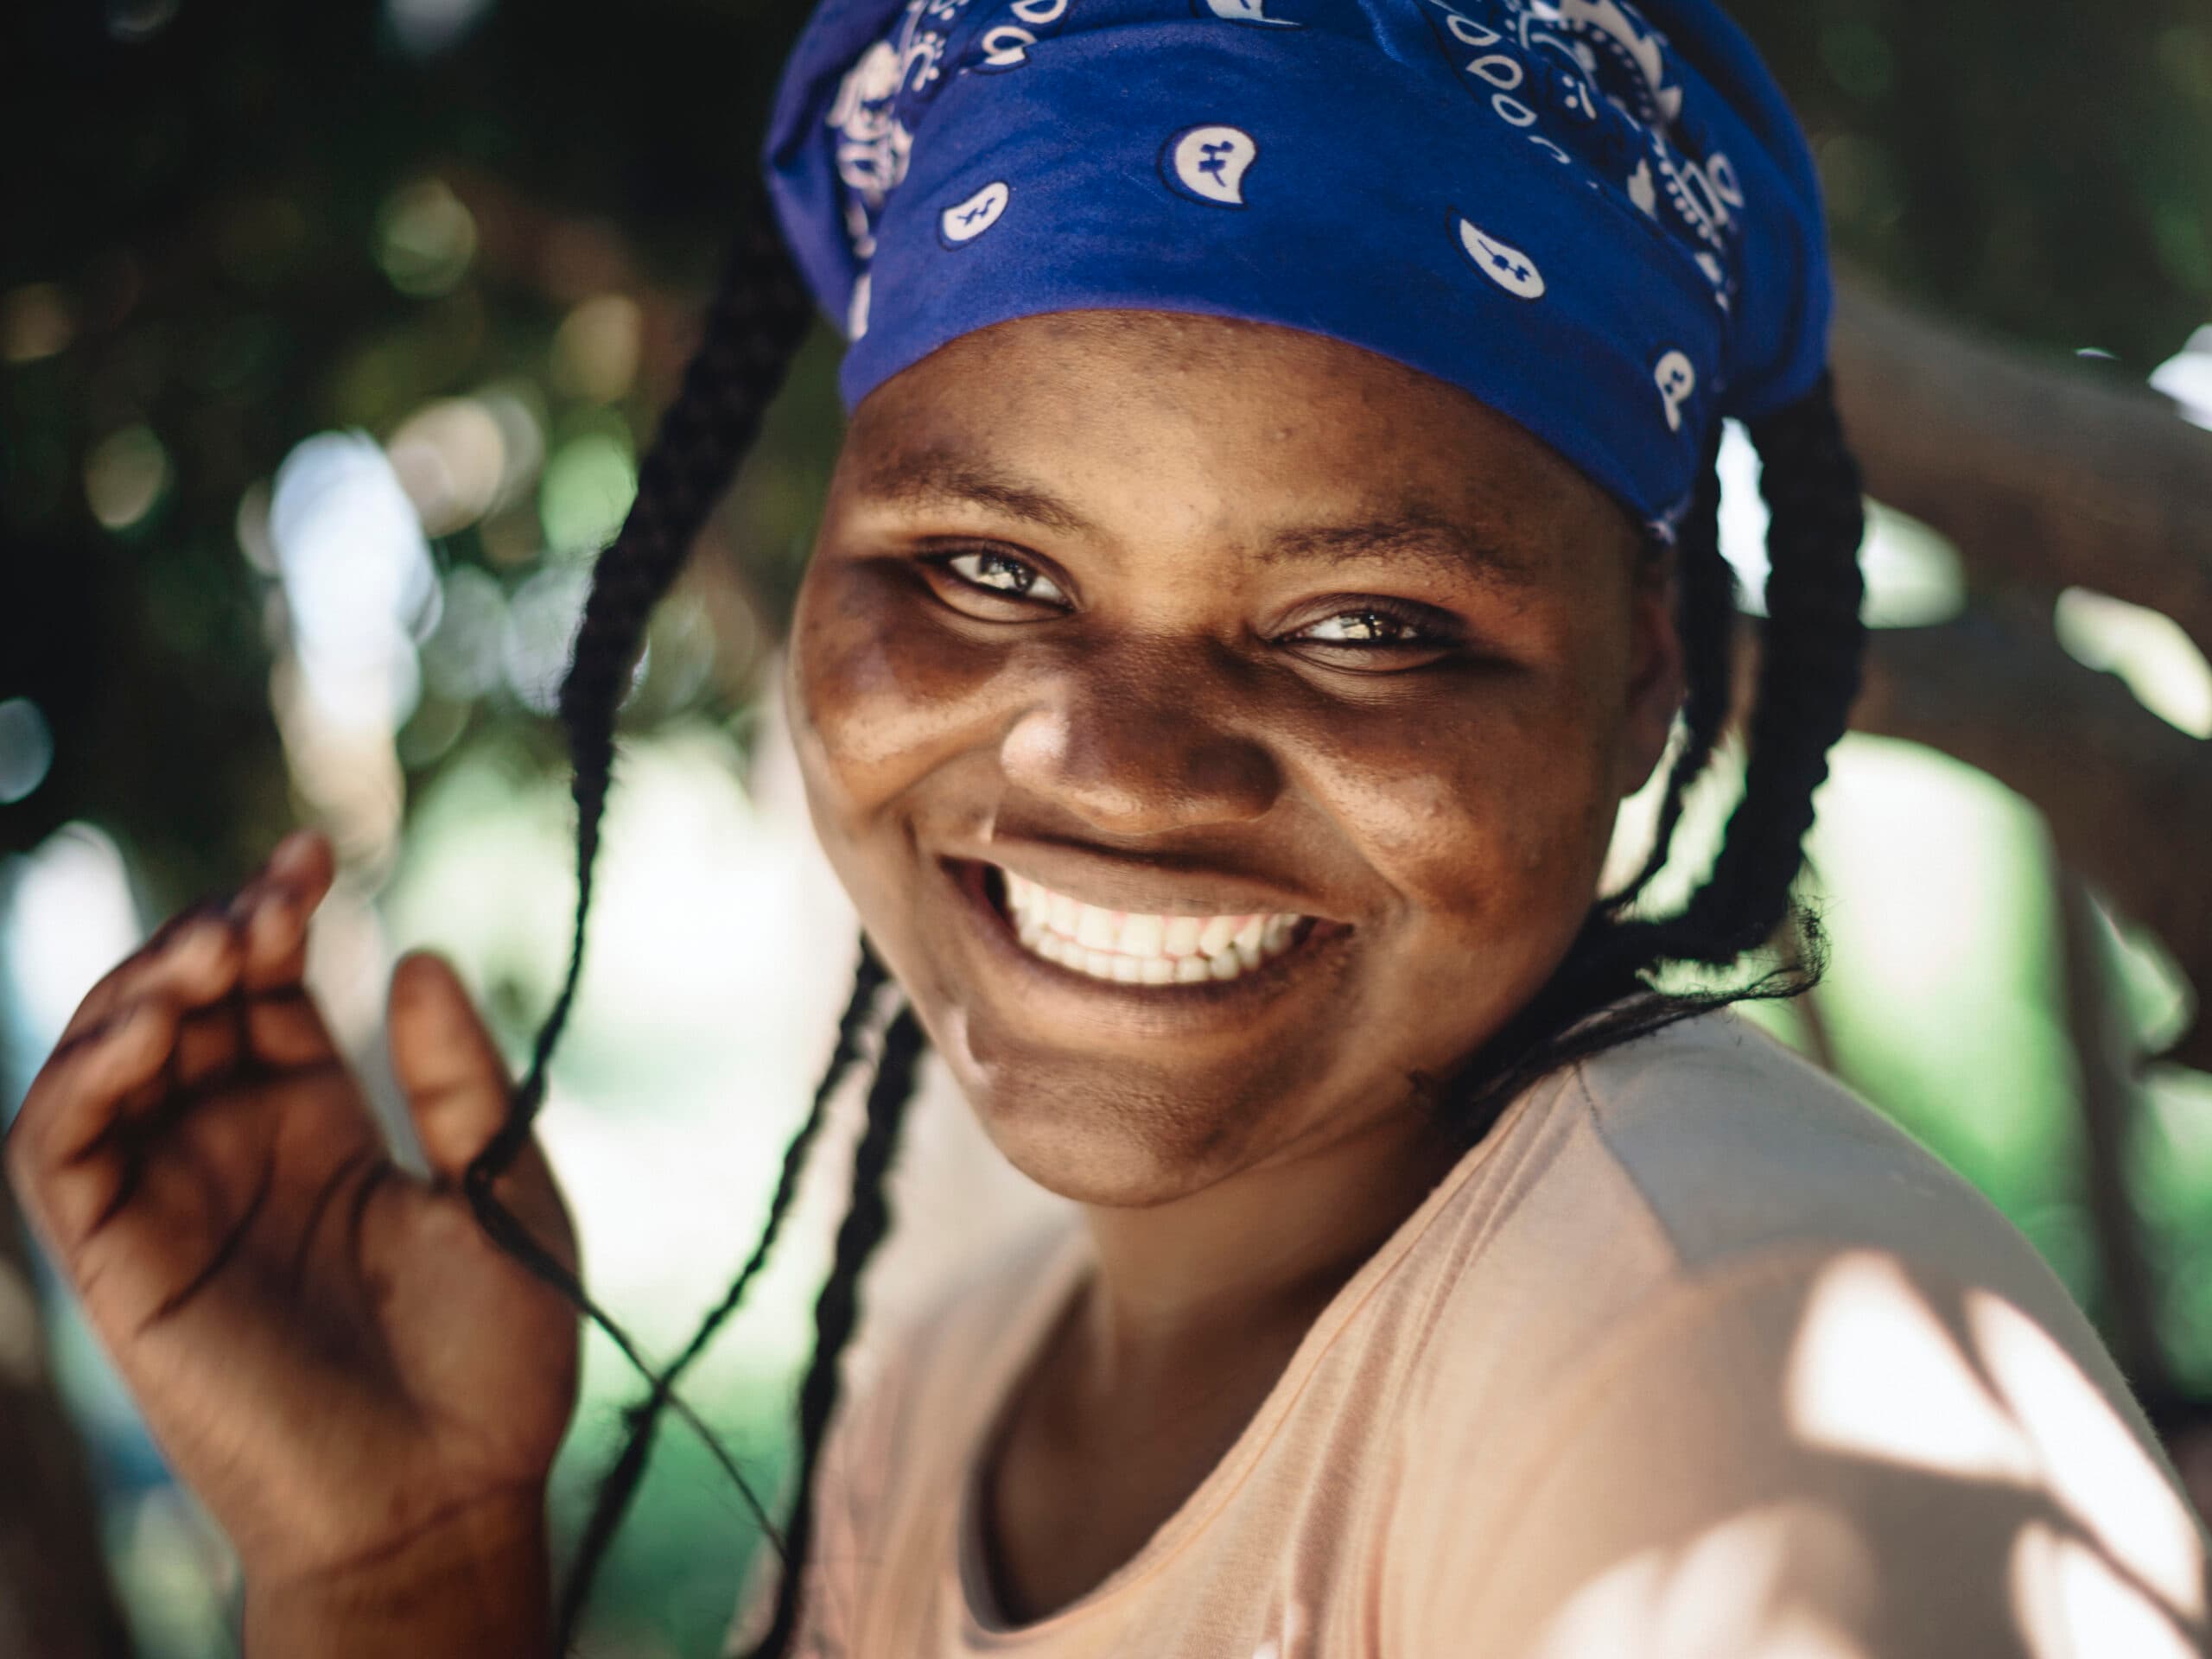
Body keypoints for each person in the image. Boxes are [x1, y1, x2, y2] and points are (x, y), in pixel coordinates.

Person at [8, 0, 2209, 1654]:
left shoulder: (1710, 1389)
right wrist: (401, 1579)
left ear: (1641, 679)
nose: (1125, 770)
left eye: (1366, 623)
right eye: (984, 568)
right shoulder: (947, 1379)